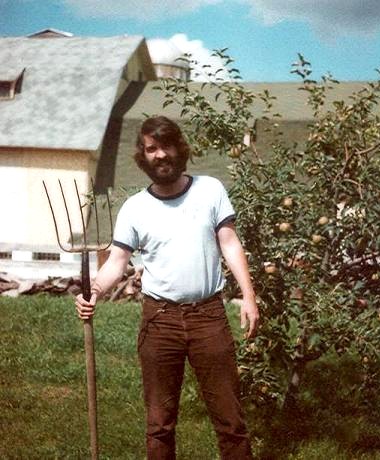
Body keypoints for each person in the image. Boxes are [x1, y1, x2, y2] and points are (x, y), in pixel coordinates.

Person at [76, 116, 259, 459]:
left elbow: (229, 242)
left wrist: (249, 295)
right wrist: (95, 292)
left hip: (209, 318)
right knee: (159, 423)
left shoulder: (210, 190)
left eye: (166, 145)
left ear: (180, 148)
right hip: (160, 321)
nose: (160, 154)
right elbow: (117, 261)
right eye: (152, 148)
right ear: (143, 156)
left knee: (230, 421)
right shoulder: (135, 208)